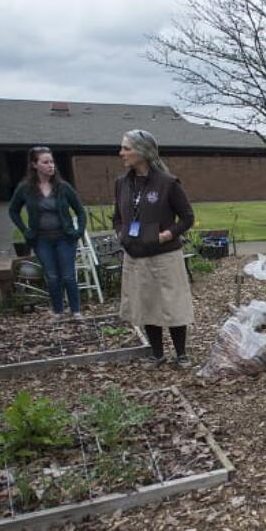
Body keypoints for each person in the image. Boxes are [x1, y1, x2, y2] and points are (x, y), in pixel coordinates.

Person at [113, 129, 195, 367]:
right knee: (147, 304)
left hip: (164, 255)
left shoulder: (167, 183)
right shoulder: (122, 184)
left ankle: (181, 354)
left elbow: (187, 217)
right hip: (136, 255)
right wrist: (121, 234)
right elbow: (117, 217)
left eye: (126, 148)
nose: (121, 153)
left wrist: (166, 235)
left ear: (143, 152)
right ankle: (156, 354)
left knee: (172, 304)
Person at [7, 147, 89, 319]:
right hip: (41, 240)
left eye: (52, 162)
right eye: (45, 162)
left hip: (65, 239)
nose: (50, 165)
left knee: (68, 275)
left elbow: (80, 211)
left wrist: (78, 231)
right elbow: (13, 211)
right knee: (52, 276)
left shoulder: (63, 187)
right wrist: (25, 230)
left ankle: (76, 311)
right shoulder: (25, 188)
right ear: (34, 165)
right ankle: (58, 311)